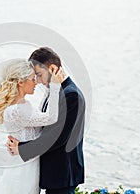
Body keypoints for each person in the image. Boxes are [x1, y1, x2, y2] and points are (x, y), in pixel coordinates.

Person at [7, 47, 86, 194]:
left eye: (39, 74)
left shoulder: (71, 95)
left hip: (62, 172)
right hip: (55, 173)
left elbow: (58, 137)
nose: (37, 81)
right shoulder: (56, 92)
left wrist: (22, 148)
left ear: (52, 69)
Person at [0, 59, 64, 194]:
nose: (36, 81)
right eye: (32, 79)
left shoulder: (23, 105)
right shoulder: (18, 110)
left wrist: (48, 88)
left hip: (25, 163)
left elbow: (40, 117)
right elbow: (51, 118)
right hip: (24, 169)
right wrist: (54, 86)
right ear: (20, 82)